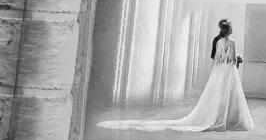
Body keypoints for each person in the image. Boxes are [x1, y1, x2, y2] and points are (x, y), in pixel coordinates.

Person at [97, 19, 254, 133]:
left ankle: (218, 117)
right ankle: (229, 119)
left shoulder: (219, 42)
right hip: (228, 71)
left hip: (219, 72)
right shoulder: (231, 42)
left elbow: (217, 58)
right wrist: (238, 58)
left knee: (218, 95)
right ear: (229, 30)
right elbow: (232, 60)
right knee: (229, 94)